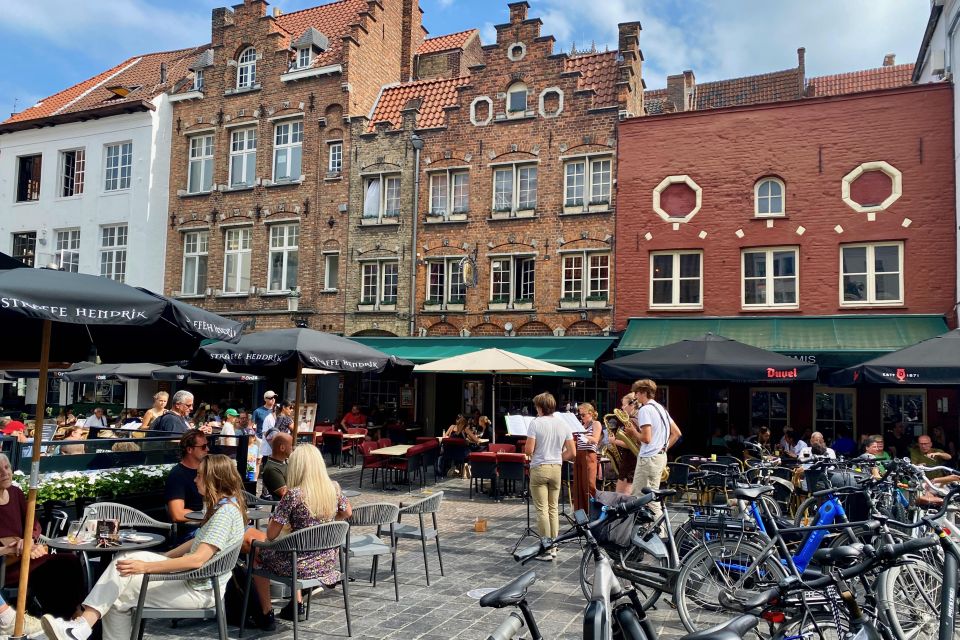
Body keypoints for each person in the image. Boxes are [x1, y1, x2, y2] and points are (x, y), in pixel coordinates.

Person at [41, 455, 247, 640]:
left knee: (119, 581)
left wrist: (146, 566)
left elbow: (197, 559)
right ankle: (81, 628)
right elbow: (195, 543)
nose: (195, 479)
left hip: (198, 590)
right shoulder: (226, 508)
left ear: (214, 480)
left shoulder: (224, 514)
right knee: (118, 587)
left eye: (199, 475)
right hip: (197, 584)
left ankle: (82, 626)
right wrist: (162, 556)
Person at [250, 444, 351, 629]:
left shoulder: (294, 495)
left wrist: (279, 520)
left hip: (298, 564)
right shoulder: (334, 488)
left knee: (256, 550)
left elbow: (271, 535)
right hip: (326, 562)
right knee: (293, 549)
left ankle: (266, 612)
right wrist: (327, 524)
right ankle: (296, 605)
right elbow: (347, 513)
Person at [0, 454, 85, 619]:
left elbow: (33, 524)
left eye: (7, 467)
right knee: (57, 567)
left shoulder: (15, 493)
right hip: (4, 565)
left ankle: (71, 613)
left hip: (25, 557)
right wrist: (11, 549)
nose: (5, 473)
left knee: (68, 560)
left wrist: (29, 540)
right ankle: (64, 616)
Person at [523, 392, 575, 561]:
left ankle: (546, 549)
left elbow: (528, 450)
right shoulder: (563, 424)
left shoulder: (535, 423)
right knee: (553, 508)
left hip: (539, 467)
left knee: (542, 510)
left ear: (540, 407)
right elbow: (572, 452)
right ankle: (554, 546)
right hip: (556, 468)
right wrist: (557, 457)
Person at [626, 379, 681, 522]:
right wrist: (662, 448)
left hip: (649, 458)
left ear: (643, 392)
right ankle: (657, 533)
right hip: (659, 457)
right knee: (651, 497)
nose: (635, 396)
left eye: (637, 393)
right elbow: (677, 433)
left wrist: (632, 432)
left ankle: (657, 535)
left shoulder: (645, 409)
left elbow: (646, 438)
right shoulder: (661, 408)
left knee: (642, 497)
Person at [165, 430, 208, 523]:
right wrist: (207, 515)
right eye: (203, 447)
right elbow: (177, 514)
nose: (207, 449)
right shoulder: (177, 475)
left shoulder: (209, 469)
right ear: (189, 449)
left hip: (213, 523)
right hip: (193, 528)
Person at [573, 403, 602, 513]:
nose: (581, 417)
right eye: (580, 415)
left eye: (583, 415)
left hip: (589, 454)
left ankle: (592, 512)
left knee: (589, 484)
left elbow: (595, 439)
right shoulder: (581, 425)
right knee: (578, 485)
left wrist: (583, 436)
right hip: (579, 454)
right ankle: (580, 512)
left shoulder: (596, 423)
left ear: (590, 414)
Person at [612, 393, 639, 495]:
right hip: (633, 460)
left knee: (622, 495)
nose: (622, 408)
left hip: (630, 461)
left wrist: (614, 441)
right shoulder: (639, 418)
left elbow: (630, 444)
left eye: (624, 405)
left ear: (632, 405)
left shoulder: (631, 421)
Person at [260, 432, 292, 500]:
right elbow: (284, 493)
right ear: (282, 448)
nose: (292, 448)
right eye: (291, 445)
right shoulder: (272, 468)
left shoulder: (282, 462)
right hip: (286, 507)